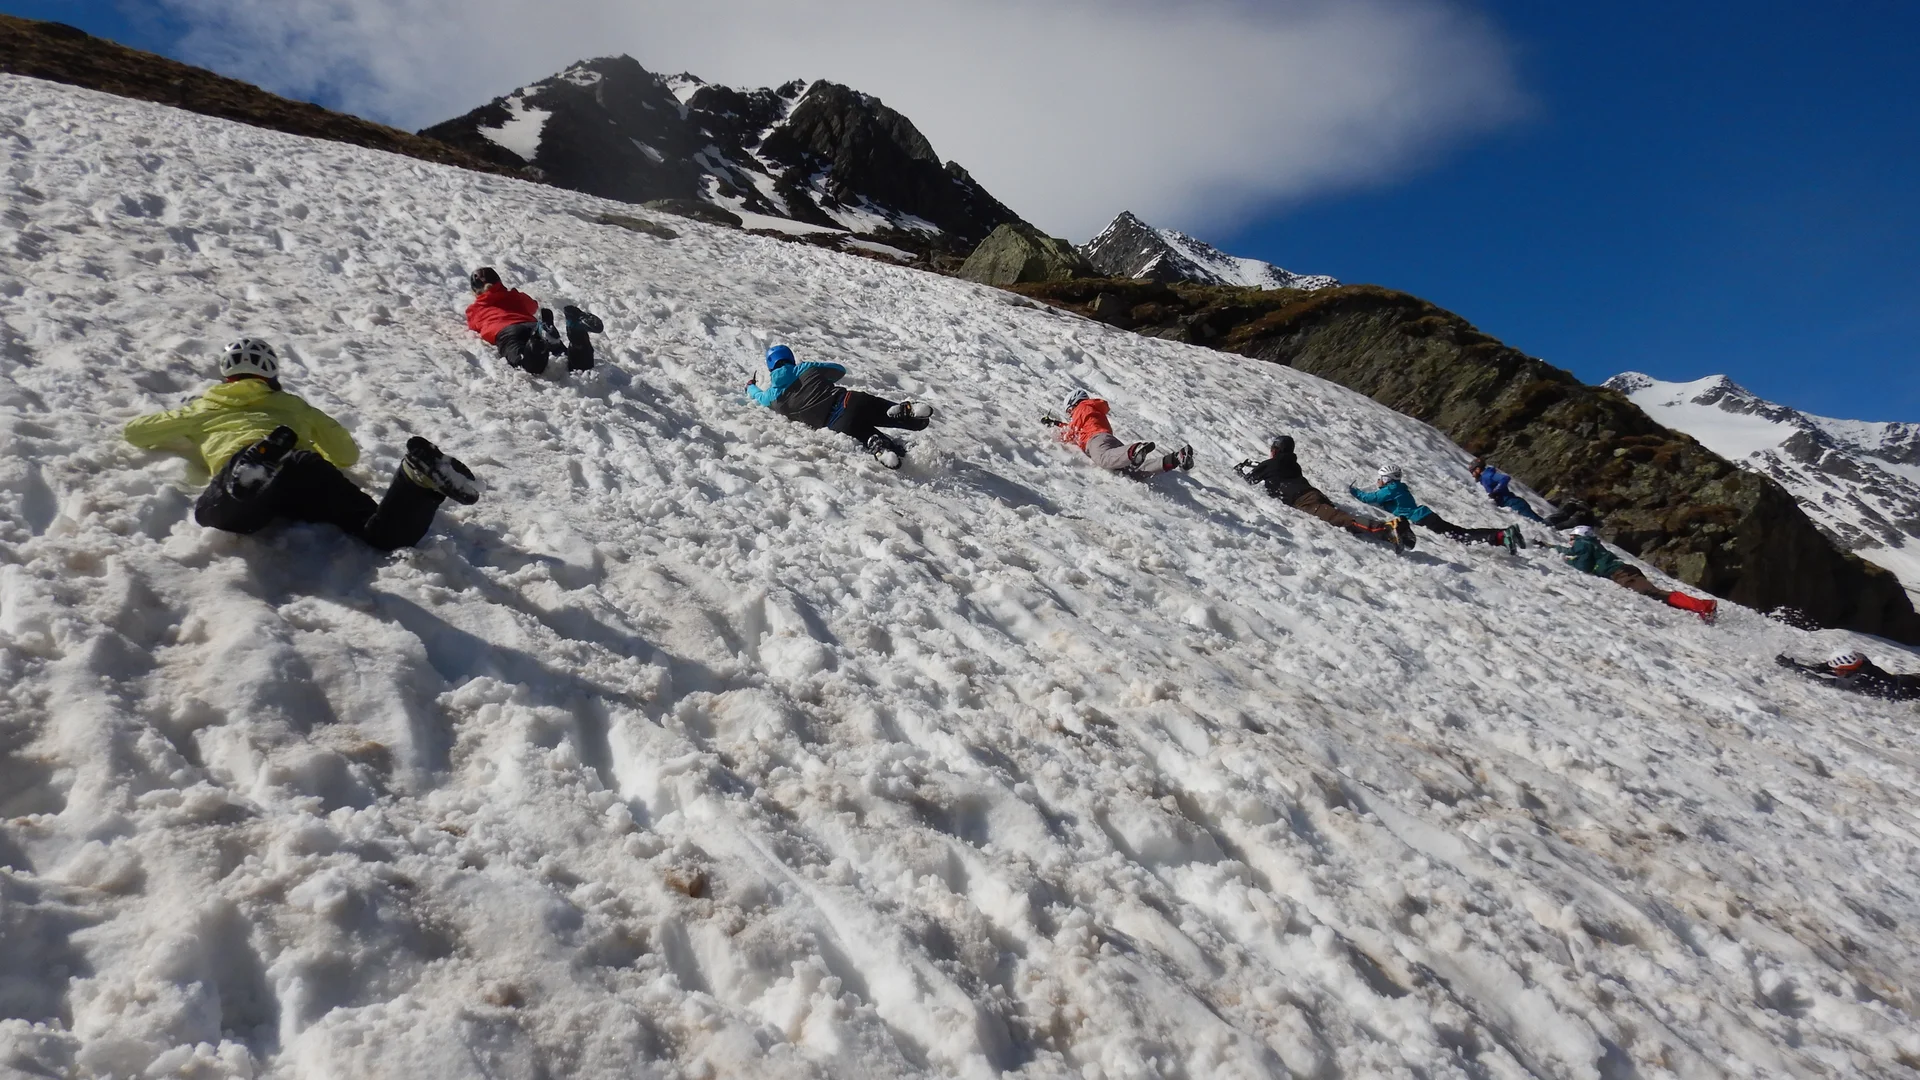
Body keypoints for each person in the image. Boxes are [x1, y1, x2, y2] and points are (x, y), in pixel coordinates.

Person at [124, 338, 479, 551]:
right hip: (304, 464)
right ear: (271, 374)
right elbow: (346, 454)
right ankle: (416, 481)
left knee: (216, 512)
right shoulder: (295, 405)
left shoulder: (204, 407)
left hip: (244, 462)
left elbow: (136, 433)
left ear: (226, 375)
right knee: (378, 532)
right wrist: (320, 457)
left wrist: (186, 418)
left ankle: (256, 466)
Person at [747, 344, 932, 469]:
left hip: (836, 422)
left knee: (865, 433)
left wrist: (750, 386)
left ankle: (880, 447)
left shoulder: (772, 397)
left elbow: (757, 395)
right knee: (884, 411)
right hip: (848, 400)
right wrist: (819, 376)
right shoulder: (806, 368)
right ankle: (904, 411)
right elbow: (839, 370)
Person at [1235, 436, 1412, 548]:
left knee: (1342, 519)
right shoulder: (1293, 464)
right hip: (1313, 493)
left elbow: (1250, 480)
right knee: (1342, 518)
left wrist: (1240, 471)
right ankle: (1387, 535)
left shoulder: (1270, 464)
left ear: (1277, 450)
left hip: (1304, 500)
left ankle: (1389, 527)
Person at [1553, 525, 1718, 623]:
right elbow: (1576, 552)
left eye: (1572, 538)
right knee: (1657, 595)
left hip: (1623, 574)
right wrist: (1557, 549)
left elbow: (1583, 564)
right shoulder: (1590, 544)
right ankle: (1700, 608)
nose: (1570, 541)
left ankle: (1703, 606)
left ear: (1579, 536)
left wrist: (1567, 561)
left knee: (1655, 593)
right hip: (1625, 571)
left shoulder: (1583, 543)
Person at [1349, 465, 1523, 552]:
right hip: (1426, 516)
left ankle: (1501, 535)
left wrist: (1350, 489)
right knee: (1461, 533)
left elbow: (1369, 498)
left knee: (1461, 537)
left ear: (1387, 479)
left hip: (1422, 520)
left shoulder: (1391, 489)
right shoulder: (1397, 488)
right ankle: (1503, 534)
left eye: (1380, 478)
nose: (1377, 481)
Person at [465, 266, 603, 374]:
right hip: (532, 324)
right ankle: (576, 331)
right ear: (499, 282)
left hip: (508, 332)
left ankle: (537, 340)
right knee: (571, 362)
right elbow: (533, 306)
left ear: (475, 292)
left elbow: (474, 327)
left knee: (525, 363)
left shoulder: (475, 309)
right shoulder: (515, 295)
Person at [1042, 389, 1193, 476]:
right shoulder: (1091, 410)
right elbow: (1075, 427)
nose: (1070, 414)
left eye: (1069, 411)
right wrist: (1056, 424)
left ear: (1074, 403)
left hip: (1095, 441)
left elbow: (1072, 432)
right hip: (1107, 439)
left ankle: (1134, 450)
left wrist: (1055, 432)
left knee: (1103, 459)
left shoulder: (1082, 408)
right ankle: (1175, 458)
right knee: (1135, 471)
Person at [1775, 649, 1920, 700]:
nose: (1835, 672)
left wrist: (1793, 667)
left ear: (1846, 669)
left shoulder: (1854, 682)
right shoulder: (1863, 662)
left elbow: (1818, 680)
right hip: (1908, 680)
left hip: (1911, 692)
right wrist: (1808, 666)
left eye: (1838, 670)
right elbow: (1829, 667)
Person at [1468, 458, 1546, 523]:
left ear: (1478, 469)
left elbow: (1505, 478)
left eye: (1472, 472)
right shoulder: (1484, 478)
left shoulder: (1487, 476)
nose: (1472, 475)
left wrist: (1495, 491)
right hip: (1510, 503)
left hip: (1514, 504)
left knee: (1542, 525)